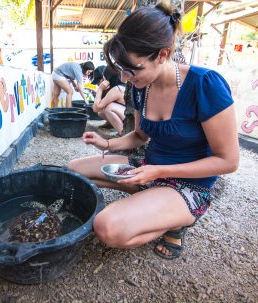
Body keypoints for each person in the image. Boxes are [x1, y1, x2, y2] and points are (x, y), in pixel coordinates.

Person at [68, 0, 239, 259]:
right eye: (121, 70)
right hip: (149, 168)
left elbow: (228, 161)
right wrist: (107, 144)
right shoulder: (141, 87)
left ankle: (178, 221)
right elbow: (140, 135)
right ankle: (153, 203)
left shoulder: (205, 85)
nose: (125, 78)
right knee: (72, 172)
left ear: (162, 54)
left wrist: (158, 171)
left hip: (188, 185)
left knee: (107, 228)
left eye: (132, 69)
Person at [92, 66, 126, 135]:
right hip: (128, 117)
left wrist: (100, 89)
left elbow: (95, 108)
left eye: (104, 77)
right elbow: (98, 108)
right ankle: (111, 124)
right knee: (102, 111)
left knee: (109, 108)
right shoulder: (117, 87)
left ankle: (124, 134)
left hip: (132, 120)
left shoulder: (117, 89)